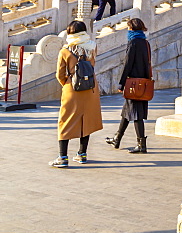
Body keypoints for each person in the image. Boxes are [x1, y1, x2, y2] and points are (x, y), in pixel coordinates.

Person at [50, 20, 103, 167]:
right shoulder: (92, 47)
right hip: (91, 88)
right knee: (86, 120)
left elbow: (59, 75)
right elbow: (92, 66)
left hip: (72, 89)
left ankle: (62, 157)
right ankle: (82, 154)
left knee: (65, 121)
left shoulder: (65, 51)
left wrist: (68, 85)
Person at [106, 17, 151, 153]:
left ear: (131, 28)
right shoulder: (145, 43)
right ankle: (117, 138)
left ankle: (141, 144)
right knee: (127, 112)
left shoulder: (133, 42)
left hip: (133, 83)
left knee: (136, 114)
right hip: (143, 81)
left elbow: (128, 64)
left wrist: (121, 83)